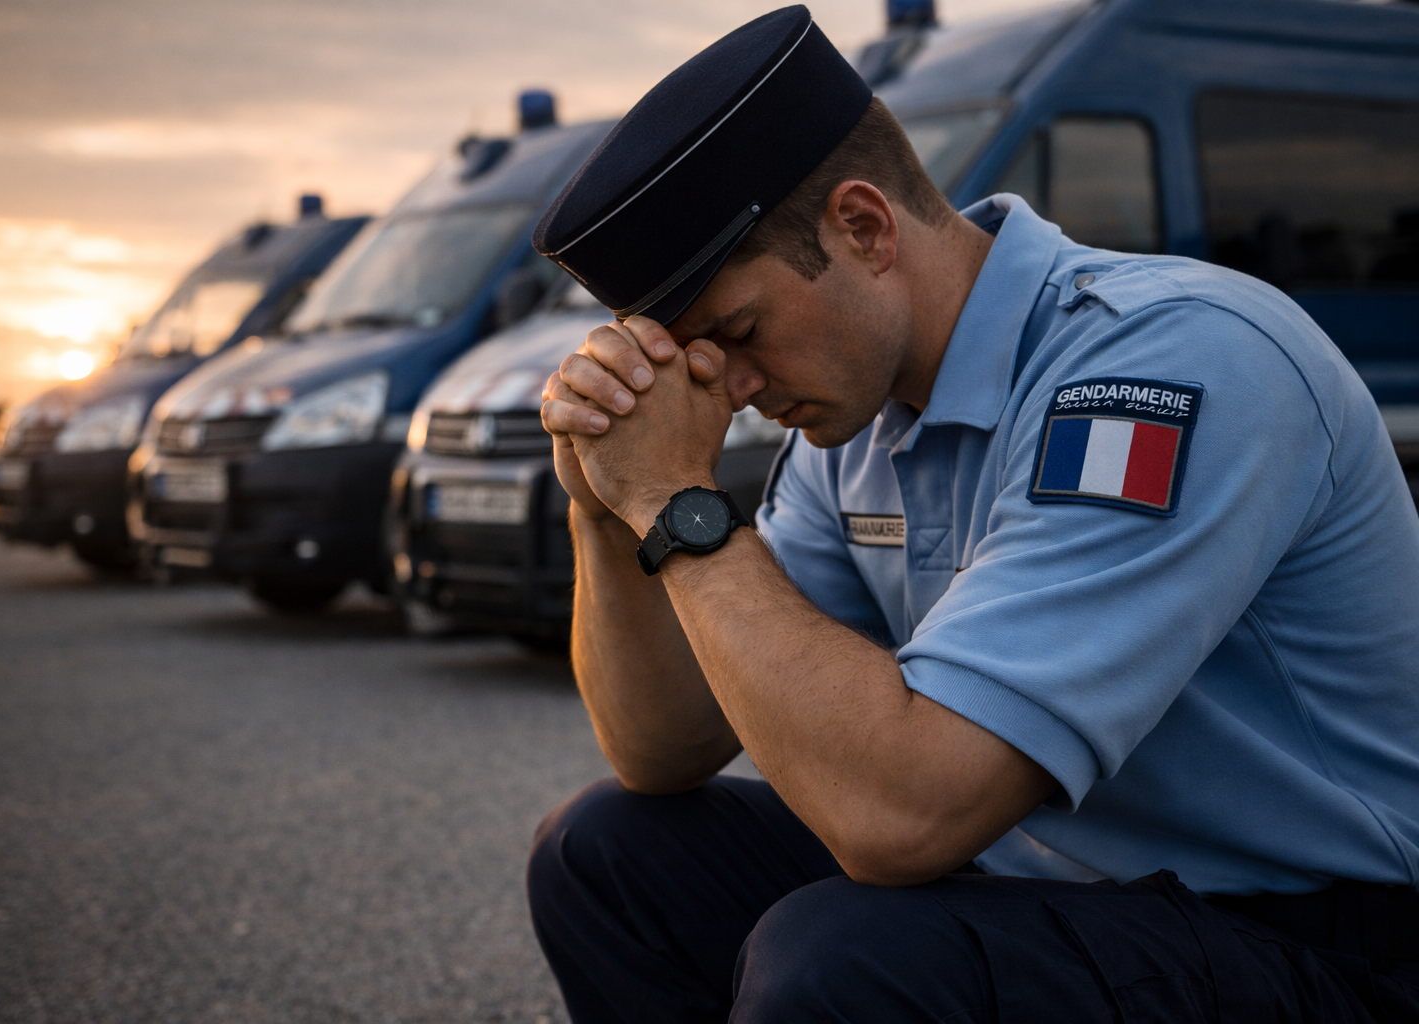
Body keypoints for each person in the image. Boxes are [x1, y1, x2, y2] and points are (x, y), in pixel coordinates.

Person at [525, 7, 1419, 1021]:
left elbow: (903, 818)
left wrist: (683, 506)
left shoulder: (1166, 365)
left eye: (737, 330)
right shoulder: (855, 419)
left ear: (863, 228)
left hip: (1325, 934)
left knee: (846, 954)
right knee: (607, 850)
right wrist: (610, 505)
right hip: (1062, 891)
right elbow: (662, 749)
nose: (725, 387)